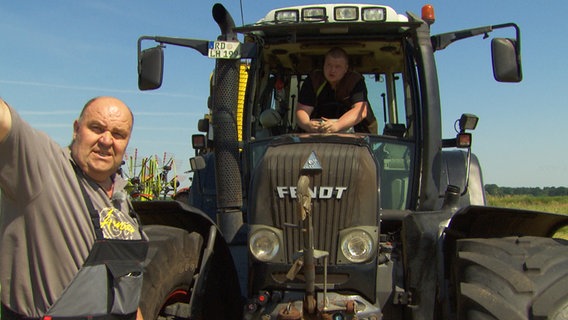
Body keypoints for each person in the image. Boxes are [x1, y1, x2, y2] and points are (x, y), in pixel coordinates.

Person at [0, 97, 147, 320]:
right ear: (76, 129)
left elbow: (124, 288)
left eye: (118, 134)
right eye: (96, 128)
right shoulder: (43, 167)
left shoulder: (120, 197)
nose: (107, 141)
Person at [296, 47, 377, 134]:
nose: (332, 70)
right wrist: (308, 125)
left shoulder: (355, 81)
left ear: (346, 68)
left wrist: (337, 125)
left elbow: (361, 111)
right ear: (323, 65)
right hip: (317, 135)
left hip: (359, 134)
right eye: (329, 65)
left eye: (337, 67)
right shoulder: (313, 80)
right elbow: (302, 110)